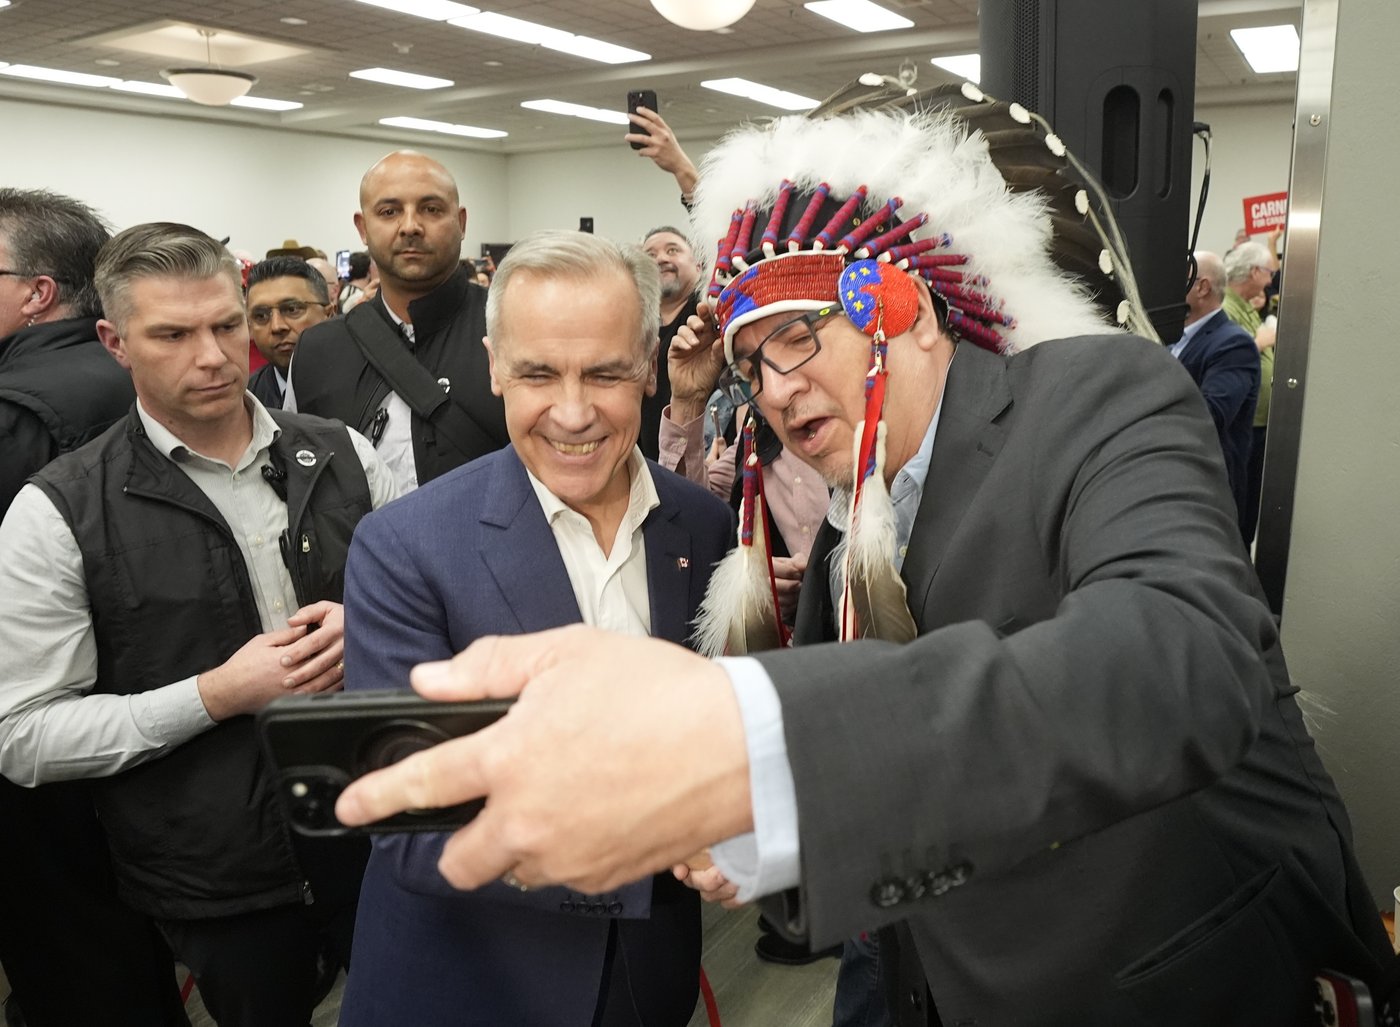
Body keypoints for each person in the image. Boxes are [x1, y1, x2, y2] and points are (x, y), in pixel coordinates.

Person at [334, 100, 1394, 1025]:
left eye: (799, 337)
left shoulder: (1095, 397)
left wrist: (753, 746)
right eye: (752, 363)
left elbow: (1181, 656)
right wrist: (750, 834)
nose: (775, 388)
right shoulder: (847, 535)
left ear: (909, 310)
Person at [0, 223, 397, 1027]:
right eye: (173, 335)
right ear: (115, 342)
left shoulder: (345, 455)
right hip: (220, 879)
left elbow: (436, 614)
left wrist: (373, 625)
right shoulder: (59, 511)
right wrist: (213, 694)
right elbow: (24, 734)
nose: (213, 356)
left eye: (225, 324)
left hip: (379, 831)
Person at [336, 230, 733, 1026]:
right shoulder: (405, 547)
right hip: (473, 988)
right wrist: (661, 840)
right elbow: (408, 819)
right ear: (495, 368)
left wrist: (734, 824)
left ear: (649, 365)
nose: (573, 412)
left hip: (648, 978)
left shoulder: (703, 523)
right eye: (539, 374)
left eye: (606, 373)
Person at [0, 189, 189, 1027]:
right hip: (158, 710)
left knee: (76, 956)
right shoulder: (136, 381)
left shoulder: (16, 411)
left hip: (50, 742)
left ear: (37, 292)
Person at [287, 150, 508, 495]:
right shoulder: (317, 352)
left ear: (461, 222)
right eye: (389, 212)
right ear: (363, 227)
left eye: (431, 209)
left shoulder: (511, 330)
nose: (410, 227)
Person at [1176, 250, 1260, 535]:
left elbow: (1211, 414)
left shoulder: (1233, 344)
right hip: (1178, 478)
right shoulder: (1172, 336)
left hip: (1208, 489)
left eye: (1180, 279)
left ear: (1202, 287)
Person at [1223, 239, 1278, 546]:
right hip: (1244, 423)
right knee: (1239, 502)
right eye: (1269, 272)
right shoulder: (1227, 307)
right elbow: (1230, 353)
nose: (1270, 281)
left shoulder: (1245, 306)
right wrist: (1260, 341)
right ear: (1255, 271)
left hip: (1256, 422)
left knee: (1250, 500)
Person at [638, 225, 703, 460]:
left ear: (699, 265)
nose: (661, 259)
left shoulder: (712, 315)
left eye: (673, 250)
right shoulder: (635, 329)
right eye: (650, 255)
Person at [245, 256, 334, 409]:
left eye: (292, 309)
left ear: (329, 314)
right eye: (261, 316)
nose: (277, 326)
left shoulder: (365, 388)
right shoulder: (246, 400)